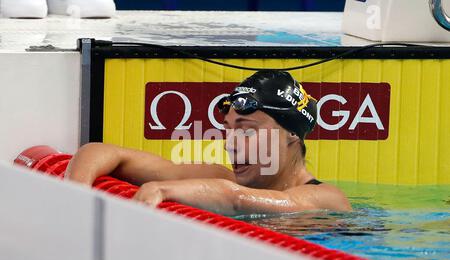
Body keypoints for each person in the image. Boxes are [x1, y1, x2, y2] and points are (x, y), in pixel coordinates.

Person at [66, 70, 351, 214]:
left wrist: (161, 189)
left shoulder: (327, 199)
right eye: (228, 130)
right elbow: (104, 152)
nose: (231, 144)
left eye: (248, 131)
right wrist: (74, 193)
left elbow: (237, 200)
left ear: (292, 135)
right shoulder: (218, 178)